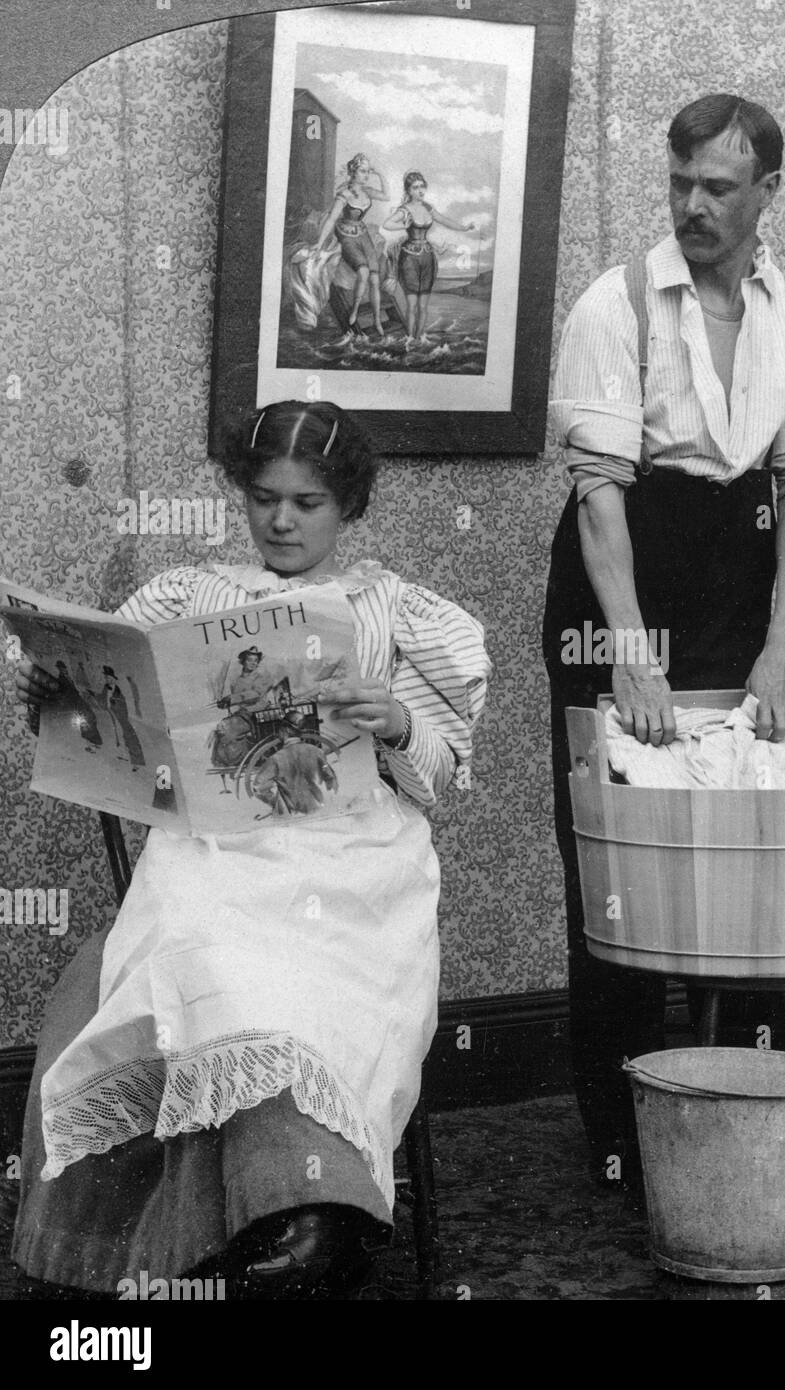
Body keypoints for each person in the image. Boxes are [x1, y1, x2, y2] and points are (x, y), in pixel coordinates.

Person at [12, 399, 491, 1297]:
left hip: (350, 849)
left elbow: (435, 779)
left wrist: (392, 721)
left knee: (306, 969)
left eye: (306, 503)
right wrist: (58, 688)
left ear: (346, 506)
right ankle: (248, 1217)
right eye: (264, 498)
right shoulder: (187, 597)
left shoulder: (389, 607)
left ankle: (318, 1209)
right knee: (209, 949)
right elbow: (110, 731)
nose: (280, 520)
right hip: (214, 842)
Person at [541, 94, 785, 1182]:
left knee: (751, 840)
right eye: (679, 183)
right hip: (619, 572)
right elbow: (597, 496)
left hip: (742, 569)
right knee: (625, 858)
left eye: (719, 187)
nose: (693, 206)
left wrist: (784, 646)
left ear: (769, 192)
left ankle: (741, 1111)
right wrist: (631, 655)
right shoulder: (613, 305)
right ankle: (622, 1141)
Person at [383, 171, 478, 345]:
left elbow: (445, 220)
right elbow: (387, 224)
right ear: (409, 190)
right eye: (415, 187)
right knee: (412, 306)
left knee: (423, 306)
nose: (420, 190)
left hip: (427, 259)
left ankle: (419, 340)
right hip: (409, 260)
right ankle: (410, 340)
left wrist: (464, 228)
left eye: (422, 186)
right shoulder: (405, 210)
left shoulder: (428, 208)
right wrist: (403, 225)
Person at [305, 153, 390, 344]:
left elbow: (387, 195)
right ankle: (355, 310)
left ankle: (377, 320)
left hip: (363, 234)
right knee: (363, 271)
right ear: (353, 171)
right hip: (346, 235)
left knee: (375, 279)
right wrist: (319, 242)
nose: (366, 175)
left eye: (368, 171)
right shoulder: (344, 195)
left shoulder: (367, 191)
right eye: (362, 171)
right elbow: (332, 219)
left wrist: (380, 173)